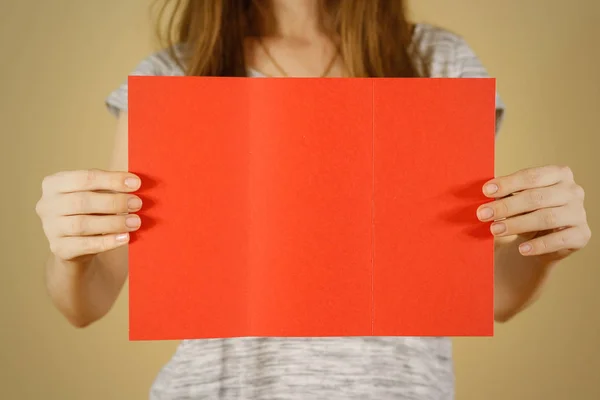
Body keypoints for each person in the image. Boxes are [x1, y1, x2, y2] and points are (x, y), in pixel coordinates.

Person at [35, 0, 592, 399]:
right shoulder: (172, 75)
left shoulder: (437, 61)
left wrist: (540, 246)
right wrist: (70, 250)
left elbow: (486, 294)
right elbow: (89, 300)